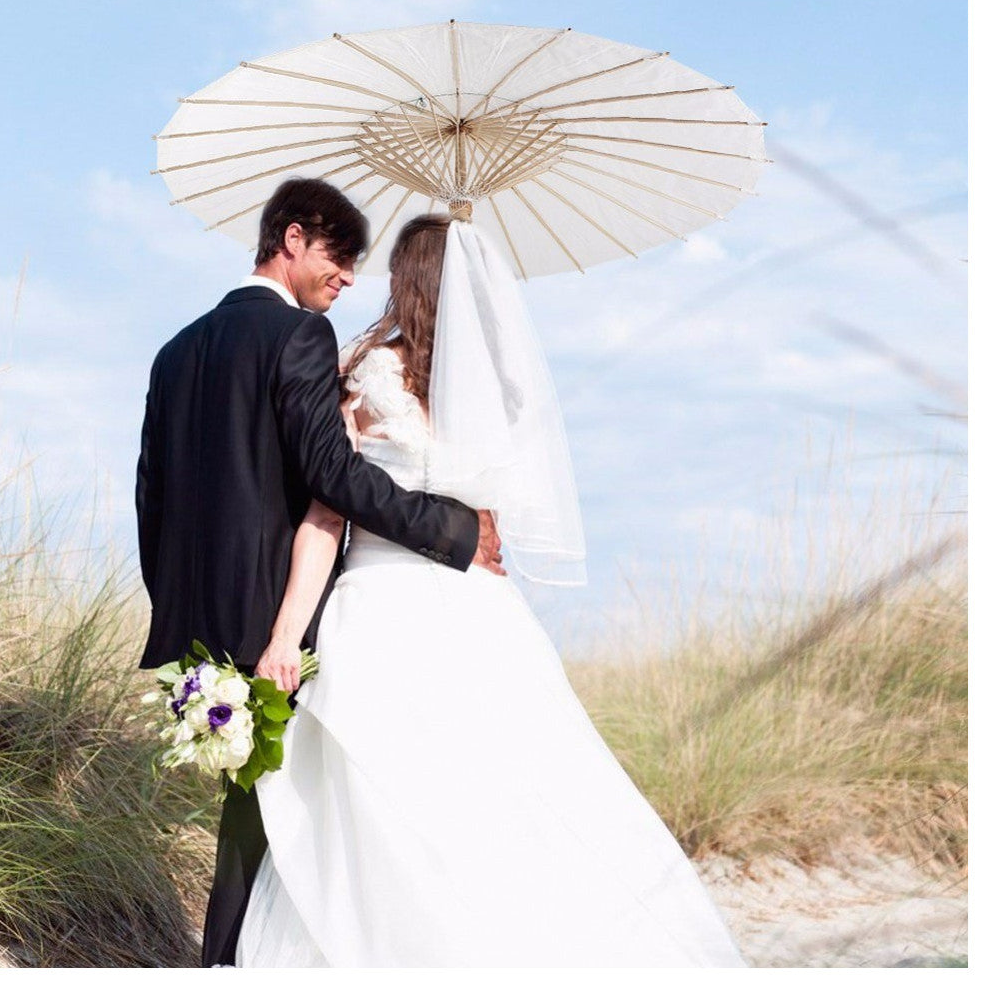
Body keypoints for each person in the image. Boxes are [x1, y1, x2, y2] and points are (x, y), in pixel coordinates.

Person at [234, 213, 746, 967]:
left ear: (405, 279)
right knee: (512, 794)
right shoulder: (500, 396)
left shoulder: (366, 375)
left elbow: (325, 511)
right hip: (480, 607)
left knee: (387, 804)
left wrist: (282, 638)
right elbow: (489, 527)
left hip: (383, 608)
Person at [135, 180, 503, 968]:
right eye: (339, 260)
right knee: (285, 818)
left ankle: (227, 964)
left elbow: (151, 501)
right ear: (292, 238)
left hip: (201, 631)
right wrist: (452, 527)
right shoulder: (298, 337)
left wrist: (182, 617)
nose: (346, 279)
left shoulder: (175, 352)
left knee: (250, 819)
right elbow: (332, 476)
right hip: (283, 621)